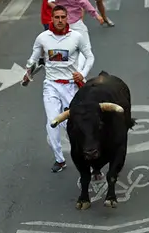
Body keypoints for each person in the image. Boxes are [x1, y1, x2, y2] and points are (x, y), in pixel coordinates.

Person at [23, 5, 94, 173]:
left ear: (67, 18)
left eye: (63, 17)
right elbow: (33, 59)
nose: (60, 20)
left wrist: (82, 74)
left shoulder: (76, 37)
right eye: (57, 17)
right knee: (52, 122)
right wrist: (28, 71)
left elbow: (90, 56)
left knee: (76, 124)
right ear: (52, 19)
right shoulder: (42, 38)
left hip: (71, 86)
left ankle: (87, 157)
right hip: (51, 86)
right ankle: (59, 159)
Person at [48, 0, 104, 70]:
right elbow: (84, 3)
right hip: (76, 23)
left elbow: (50, 2)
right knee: (85, 48)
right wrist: (96, 15)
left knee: (61, 47)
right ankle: (78, 70)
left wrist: (61, 10)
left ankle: (59, 71)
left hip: (62, 24)